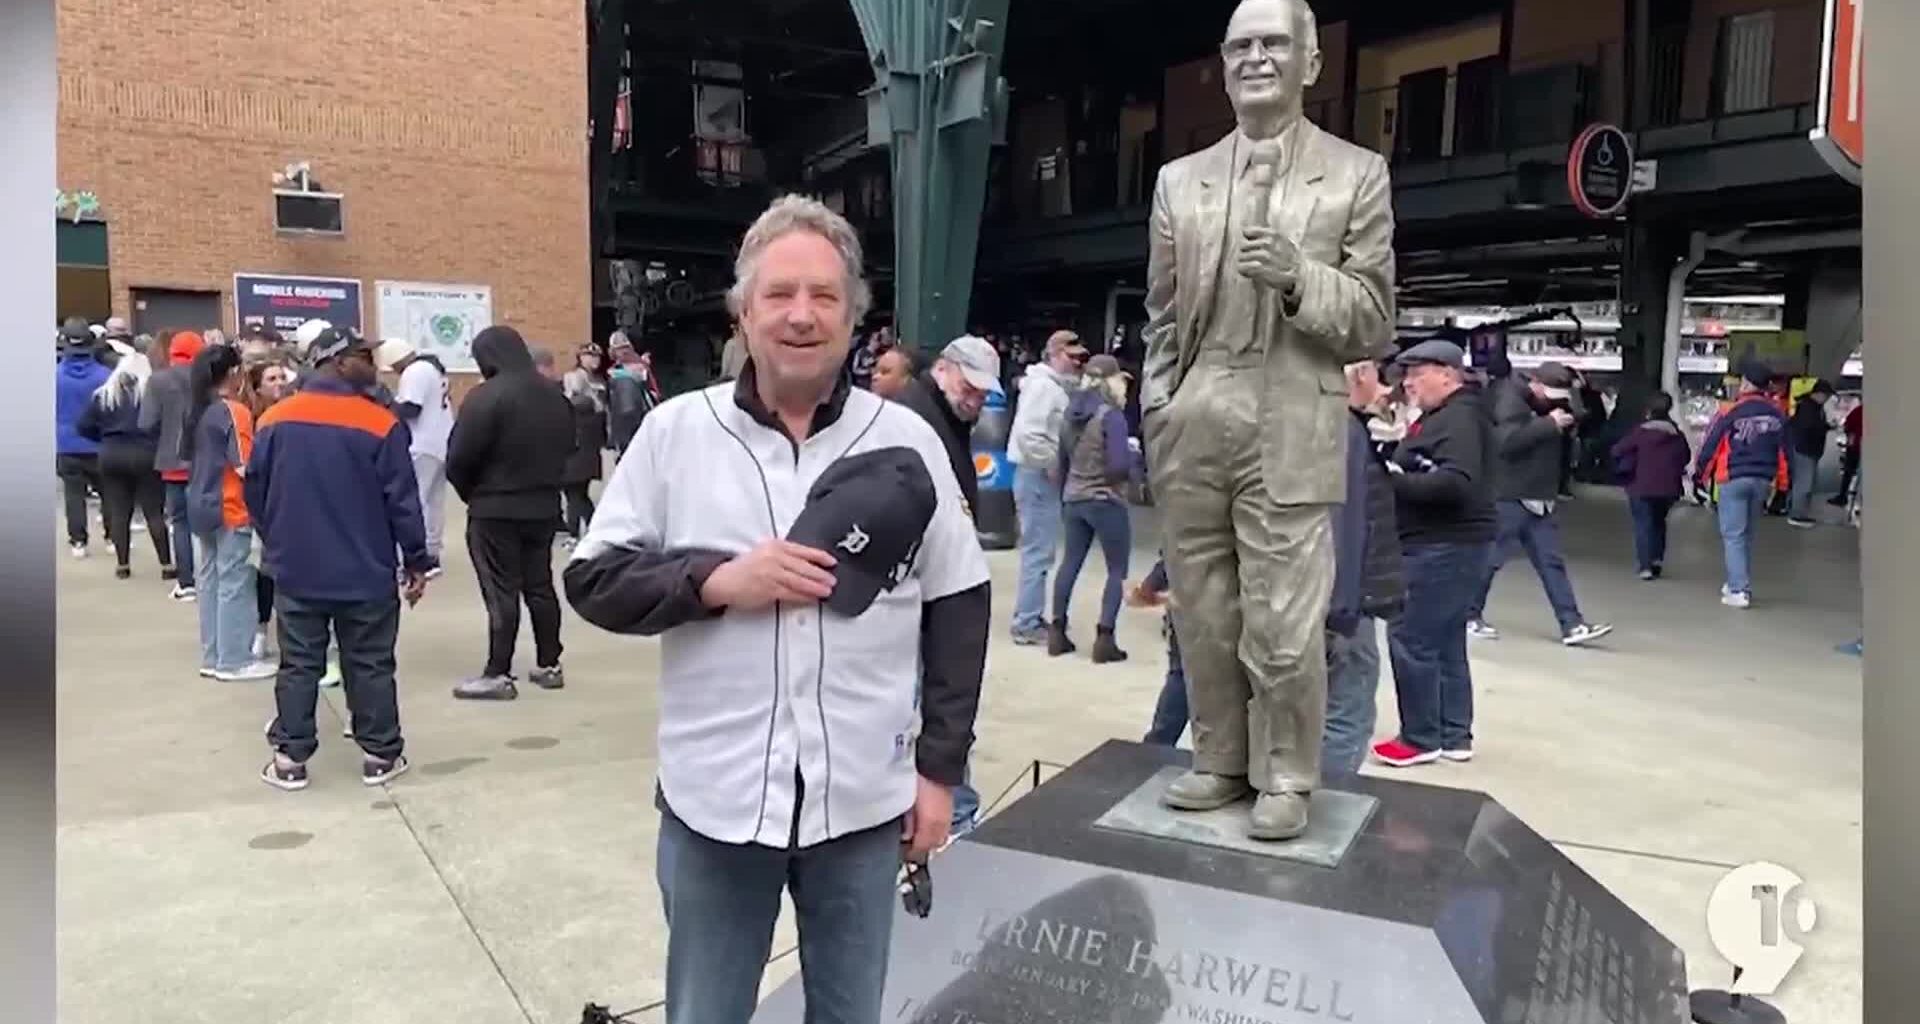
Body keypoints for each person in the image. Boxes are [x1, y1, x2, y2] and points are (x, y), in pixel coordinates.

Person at [563, 195, 990, 1024]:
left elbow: (958, 603)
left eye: (824, 296)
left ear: (854, 318)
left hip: (862, 803)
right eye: (780, 294)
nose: (801, 315)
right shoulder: (677, 434)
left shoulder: (906, 442)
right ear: (744, 312)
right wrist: (719, 582)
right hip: (716, 806)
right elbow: (594, 580)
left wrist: (940, 771)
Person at [1140, 0, 1397, 840]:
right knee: (1204, 612)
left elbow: (1374, 319)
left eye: (1275, 44)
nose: (1256, 58)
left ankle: (1286, 773)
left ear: (1311, 63)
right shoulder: (1180, 181)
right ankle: (1218, 757)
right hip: (1195, 411)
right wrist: (1160, 407)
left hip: (1289, 416)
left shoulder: (1356, 174)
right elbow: (1161, 316)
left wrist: (1299, 277)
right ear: (1222, 63)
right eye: (1241, 46)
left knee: (1284, 621)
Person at [248, 326, 432, 791]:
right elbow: (403, 503)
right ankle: (380, 753)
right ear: (335, 361)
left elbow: (257, 494)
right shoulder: (380, 424)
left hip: (297, 568)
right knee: (369, 662)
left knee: (299, 663)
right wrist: (416, 561)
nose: (372, 364)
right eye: (362, 356)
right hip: (365, 571)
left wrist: (278, 542)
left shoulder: (275, 420)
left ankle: (290, 758)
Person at [887, 333, 1001, 839]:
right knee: (928, 700)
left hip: (931, 582)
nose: (975, 398)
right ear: (943, 370)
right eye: (969, 386)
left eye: (983, 392)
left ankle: (952, 806)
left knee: (936, 698)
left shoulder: (944, 417)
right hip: (916, 588)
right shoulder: (916, 421)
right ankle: (952, 812)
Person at [1370, 341, 1495, 769]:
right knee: (1445, 640)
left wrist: (1390, 481)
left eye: (1416, 373)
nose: (1408, 383)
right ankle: (1454, 733)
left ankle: (1420, 737)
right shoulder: (1452, 415)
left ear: (1447, 373)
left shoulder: (1458, 419)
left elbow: (1457, 482)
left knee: (1412, 637)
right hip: (1455, 542)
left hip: (1442, 544)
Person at [446, 326, 577, 700]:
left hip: (495, 507)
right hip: (543, 505)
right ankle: (549, 663)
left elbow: (459, 458)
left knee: (501, 590)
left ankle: (497, 672)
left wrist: (473, 493)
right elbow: (570, 447)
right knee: (540, 586)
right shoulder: (555, 397)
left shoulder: (486, 396)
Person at [1465, 361, 1613, 647]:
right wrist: (1548, 425)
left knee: (1551, 563)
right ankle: (1468, 614)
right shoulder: (1509, 400)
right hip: (1512, 494)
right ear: (1535, 384)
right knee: (1491, 559)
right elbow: (1505, 443)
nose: (1555, 402)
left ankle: (1571, 623)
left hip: (1539, 496)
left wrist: (1575, 396)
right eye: (1552, 396)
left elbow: (1580, 415)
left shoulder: (1546, 401)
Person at [1320, 359, 1404, 781]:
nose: (1383, 386)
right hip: (1344, 599)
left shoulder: (1298, 422)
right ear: (1359, 376)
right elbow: (1348, 520)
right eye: (1376, 374)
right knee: (1346, 715)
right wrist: (1343, 606)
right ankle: (1324, 798)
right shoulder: (1347, 432)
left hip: (1300, 593)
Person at [183, 344, 276, 681]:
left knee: (210, 582)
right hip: (230, 504)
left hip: (200, 501)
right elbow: (245, 466)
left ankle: (215, 655)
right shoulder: (233, 411)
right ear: (234, 373)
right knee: (235, 582)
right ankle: (234, 659)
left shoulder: (198, 410)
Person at [1048, 354, 1136, 663]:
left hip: (1074, 498)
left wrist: (1067, 493)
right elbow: (1119, 465)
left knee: (1070, 563)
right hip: (1106, 499)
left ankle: (1057, 631)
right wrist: (1133, 463)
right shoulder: (1112, 416)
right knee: (1117, 569)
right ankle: (1105, 639)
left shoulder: (1071, 413)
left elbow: (1061, 462)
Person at [1005, 329, 1088, 646]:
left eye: (1080, 357)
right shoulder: (1044, 388)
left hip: (1037, 474)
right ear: (1053, 354)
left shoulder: (1051, 386)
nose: (1077, 362)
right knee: (1038, 551)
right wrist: (1051, 463)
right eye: (1071, 356)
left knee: (1040, 550)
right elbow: (1029, 434)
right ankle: (1026, 623)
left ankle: (1029, 616)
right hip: (1037, 475)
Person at [1694, 361, 1790, 609]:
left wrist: (1700, 477)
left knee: (1733, 535)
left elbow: (1710, 446)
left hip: (1733, 477)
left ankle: (1738, 589)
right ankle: (1737, 582)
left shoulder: (1730, 412)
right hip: (1762, 480)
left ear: (1746, 384)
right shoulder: (1777, 414)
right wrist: (1782, 485)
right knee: (1747, 534)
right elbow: (1784, 453)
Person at [75, 351, 173, 581]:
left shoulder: (104, 395)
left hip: (112, 454)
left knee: (119, 511)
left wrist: (103, 438)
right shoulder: (150, 395)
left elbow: (82, 426)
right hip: (146, 454)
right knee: (153, 512)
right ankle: (166, 564)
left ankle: (122, 565)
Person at [891, 335, 1001, 519]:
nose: (973, 402)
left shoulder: (948, 414)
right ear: (941, 370)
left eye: (982, 396)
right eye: (967, 389)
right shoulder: (913, 413)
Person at [374, 338, 455, 573]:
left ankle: (415, 559)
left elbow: (411, 408)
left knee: (416, 501)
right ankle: (431, 555)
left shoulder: (415, 370)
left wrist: (387, 408)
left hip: (422, 443)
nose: (395, 371)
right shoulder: (433, 369)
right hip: (442, 442)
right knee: (434, 502)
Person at [142, 330, 206, 600]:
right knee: (207, 523)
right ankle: (207, 579)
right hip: (206, 462)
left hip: (172, 462)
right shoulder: (208, 379)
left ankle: (187, 582)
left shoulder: (158, 380)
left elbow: (146, 423)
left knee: (180, 523)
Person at [1610, 391, 1693, 581]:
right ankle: (1657, 560)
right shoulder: (1676, 435)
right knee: (1658, 522)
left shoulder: (1640, 432)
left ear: (1648, 411)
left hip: (1640, 485)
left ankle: (1645, 565)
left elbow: (1617, 450)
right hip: (1668, 488)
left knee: (1643, 524)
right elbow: (1686, 457)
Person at [57, 320, 113, 558]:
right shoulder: (105, 375)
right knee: (109, 493)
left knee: (73, 495)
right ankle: (112, 537)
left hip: (67, 443)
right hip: (99, 443)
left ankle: (78, 541)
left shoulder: (54, 375)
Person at [559, 347, 611, 544]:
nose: (595, 360)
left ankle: (578, 533)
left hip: (588, 443)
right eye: (590, 356)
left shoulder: (599, 380)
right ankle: (591, 529)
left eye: (597, 356)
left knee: (576, 492)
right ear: (580, 358)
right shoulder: (574, 378)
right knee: (577, 493)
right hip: (577, 441)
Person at [1786, 378, 1835, 527]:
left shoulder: (1810, 407)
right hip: (1805, 449)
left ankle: (1798, 511)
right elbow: (1809, 427)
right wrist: (1825, 427)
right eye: (1826, 395)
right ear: (1818, 394)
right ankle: (1797, 515)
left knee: (1803, 482)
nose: (1827, 399)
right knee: (1804, 483)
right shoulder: (1808, 408)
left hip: (1807, 449)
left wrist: (1826, 426)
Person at [607, 332, 661, 452]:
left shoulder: (642, 367)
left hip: (645, 416)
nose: (624, 352)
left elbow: (654, 390)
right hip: (626, 422)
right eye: (619, 349)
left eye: (626, 348)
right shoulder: (614, 372)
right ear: (613, 353)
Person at [1830, 399, 1862, 508]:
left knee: (1848, 472)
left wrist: (1850, 436)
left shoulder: (1859, 410)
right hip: (1858, 446)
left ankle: (1843, 496)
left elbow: (1847, 425)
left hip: (1855, 446)